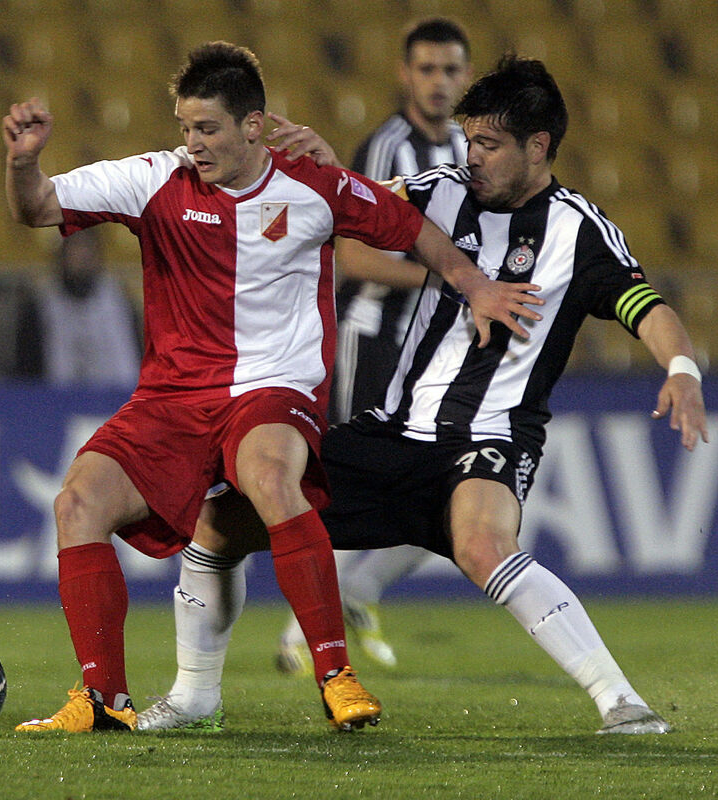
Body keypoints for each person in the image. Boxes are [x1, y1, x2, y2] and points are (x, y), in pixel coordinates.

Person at [138, 55, 708, 736]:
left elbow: (646, 307)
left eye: (489, 144)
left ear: (538, 146)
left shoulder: (579, 231)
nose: (473, 157)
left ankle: (621, 701)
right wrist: (327, 170)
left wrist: (681, 368)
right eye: (469, 140)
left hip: (490, 436)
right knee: (216, 522)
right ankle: (195, 696)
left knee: (482, 546)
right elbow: (351, 204)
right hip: (394, 431)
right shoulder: (441, 190)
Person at [2, 41, 542, 733]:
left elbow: (413, 229)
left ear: (252, 125)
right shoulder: (153, 179)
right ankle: (103, 698)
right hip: (173, 398)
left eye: (208, 128)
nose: (193, 143)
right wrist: (23, 163)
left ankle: (336, 675)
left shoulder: (314, 187)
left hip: (274, 389)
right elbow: (38, 207)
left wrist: (476, 285)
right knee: (77, 502)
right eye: (186, 127)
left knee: (267, 475)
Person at [278, 16, 475, 676]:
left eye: (450, 69)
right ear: (404, 75)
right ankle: (301, 631)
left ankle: (357, 591)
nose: (439, 82)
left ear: (466, 77)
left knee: (457, 487)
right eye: (427, 69)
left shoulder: (468, 150)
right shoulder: (386, 147)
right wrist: (449, 276)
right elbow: (354, 256)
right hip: (377, 339)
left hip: (436, 349)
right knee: (350, 485)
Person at [15, 226, 142, 386]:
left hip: (114, 397)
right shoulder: (38, 308)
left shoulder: (121, 303)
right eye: (76, 247)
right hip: (54, 398)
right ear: (62, 254)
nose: (83, 256)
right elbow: (26, 375)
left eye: (88, 247)